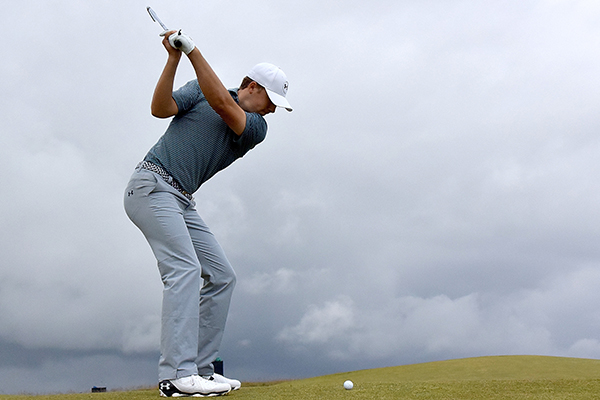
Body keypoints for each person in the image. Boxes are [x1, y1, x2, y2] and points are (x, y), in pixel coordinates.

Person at [124, 29, 292, 397]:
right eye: (271, 100)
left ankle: (200, 369)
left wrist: (193, 52)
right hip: (151, 187)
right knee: (184, 270)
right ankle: (176, 374)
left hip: (181, 200)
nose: (272, 109)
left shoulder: (256, 127)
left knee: (222, 276)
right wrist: (174, 59)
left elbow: (222, 104)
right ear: (252, 86)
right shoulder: (199, 88)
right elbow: (160, 109)